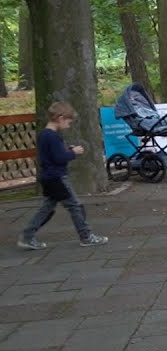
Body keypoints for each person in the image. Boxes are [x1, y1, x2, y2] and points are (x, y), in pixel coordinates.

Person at [17, 102, 108, 249]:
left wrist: (66, 150)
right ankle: (86, 236)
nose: (69, 125)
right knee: (75, 206)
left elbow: (53, 154)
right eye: (68, 121)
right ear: (60, 118)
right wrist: (74, 152)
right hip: (57, 177)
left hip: (48, 176)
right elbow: (58, 158)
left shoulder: (44, 135)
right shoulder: (52, 136)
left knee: (47, 208)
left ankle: (27, 236)